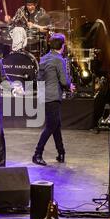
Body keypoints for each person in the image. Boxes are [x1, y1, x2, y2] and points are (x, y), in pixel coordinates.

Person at [32, 33, 74, 166]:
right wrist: (70, 86)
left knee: (56, 125)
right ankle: (37, 154)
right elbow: (63, 81)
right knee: (51, 126)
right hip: (53, 96)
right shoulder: (59, 59)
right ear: (62, 46)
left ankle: (61, 153)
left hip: (44, 95)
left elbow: (39, 78)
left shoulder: (44, 58)